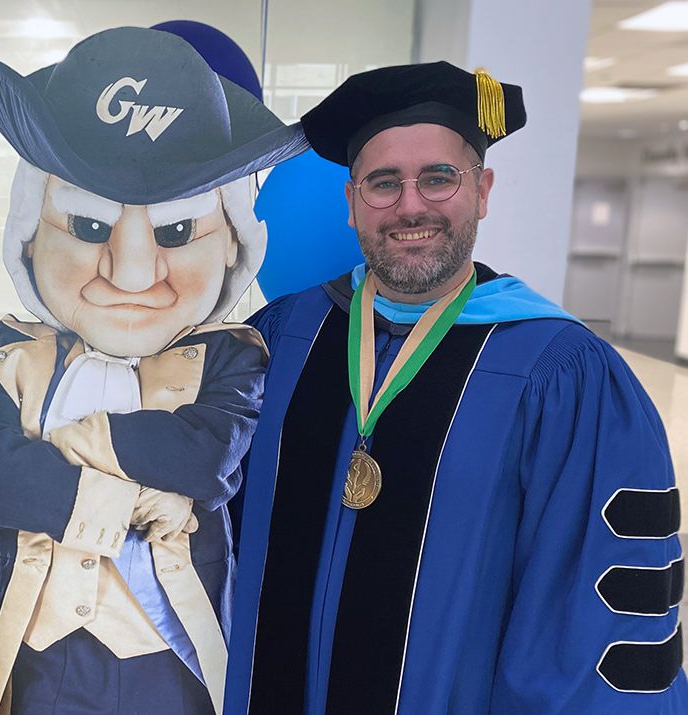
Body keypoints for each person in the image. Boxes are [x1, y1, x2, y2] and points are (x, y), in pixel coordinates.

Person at [225, 61, 687, 714]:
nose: (411, 204)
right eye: (384, 183)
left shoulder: (564, 375)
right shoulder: (277, 340)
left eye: (439, 177)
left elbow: (594, 628)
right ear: (353, 203)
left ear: (482, 190)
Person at [0, 26, 306, 715]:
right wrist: (139, 503)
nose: (134, 271)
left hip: (171, 664)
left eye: (177, 231)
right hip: (36, 664)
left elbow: (206, 459)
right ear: (30, 228)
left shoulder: (235, 355)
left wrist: (76, 440)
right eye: (89, 226)